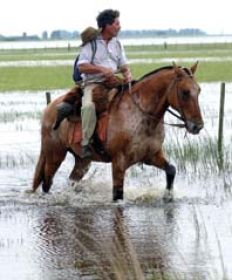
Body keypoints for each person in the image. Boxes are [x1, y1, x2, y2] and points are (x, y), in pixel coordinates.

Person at [55, 9, 132, 158]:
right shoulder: (91, 44)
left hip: (114, 83)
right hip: (94, 83)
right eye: (117, 23)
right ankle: (85, 142)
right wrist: (102, 70)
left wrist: (128, 74)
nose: (119, 26)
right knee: (88, 106)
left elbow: (124, 66)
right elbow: (82, 66)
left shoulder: (117, 44)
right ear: (107, 25)